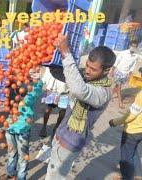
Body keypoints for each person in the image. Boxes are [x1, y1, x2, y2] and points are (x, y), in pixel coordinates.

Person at [45, 35, 116, 180]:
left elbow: (79, 90)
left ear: (106, 71)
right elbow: (63, 74)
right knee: (52, 173)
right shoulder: (87, 78)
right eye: (88, 65)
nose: (87, 71)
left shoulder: (103, 93)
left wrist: (66, 53)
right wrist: (52, 55)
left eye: (93, 69)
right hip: (60, 135)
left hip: (70, 143)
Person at [1, 67, 43, 180]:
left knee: (23, 157)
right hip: (10, 126)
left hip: (23, 129)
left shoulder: (33, 87)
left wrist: (36, 80)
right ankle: (10, 174)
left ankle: (21, 177)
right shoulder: (12, 83)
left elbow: (32, 96)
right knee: (11, 152)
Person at [109, 90, 142, 180]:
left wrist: (115, 122)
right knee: (133, 152)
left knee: (126, 158)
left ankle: (126, 177)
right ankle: (138, 175)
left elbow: (131, 115)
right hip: (140, 131)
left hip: (132, 131)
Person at [39, 67, 68, 143]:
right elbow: (46, 76)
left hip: (64, 92)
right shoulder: (53, 64)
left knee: (62, 113)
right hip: (52, 90)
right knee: (47, 110)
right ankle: (44, 126)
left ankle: (56, 127)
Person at [111, 40, 138, 108]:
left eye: (135, 47)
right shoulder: (123, 53)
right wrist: (112, 70)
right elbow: (117, 61)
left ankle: (110, 96)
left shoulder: (135, 56)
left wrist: (130, 74)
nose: (133, 47)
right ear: (129, 46)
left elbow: (133, 66)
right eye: (132, 46)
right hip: (119, 72)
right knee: (119, 87)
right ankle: (120, 103)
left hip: (125, 74)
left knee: (117, 86)